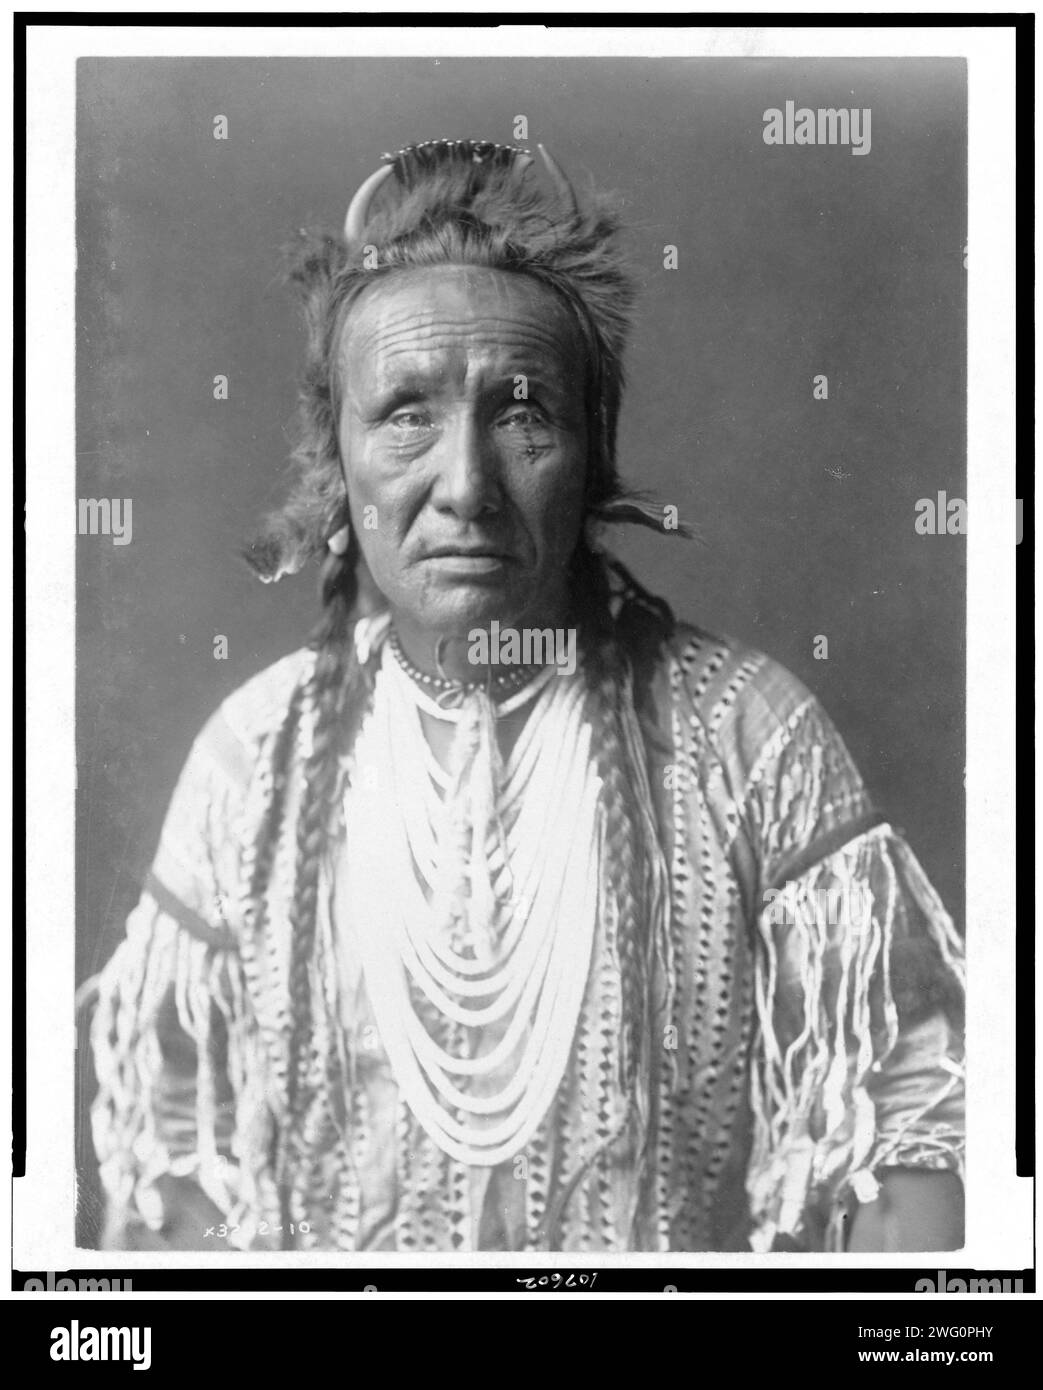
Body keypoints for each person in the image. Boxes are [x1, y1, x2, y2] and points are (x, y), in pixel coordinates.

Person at [87, 139, 965, 1253]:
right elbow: (171, 1183)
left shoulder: (750, 741)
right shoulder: (249, 763)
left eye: (520, 414)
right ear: (335, 460)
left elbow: (900, 1150)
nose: (464, 486)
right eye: (405, 412)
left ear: (591, 458)